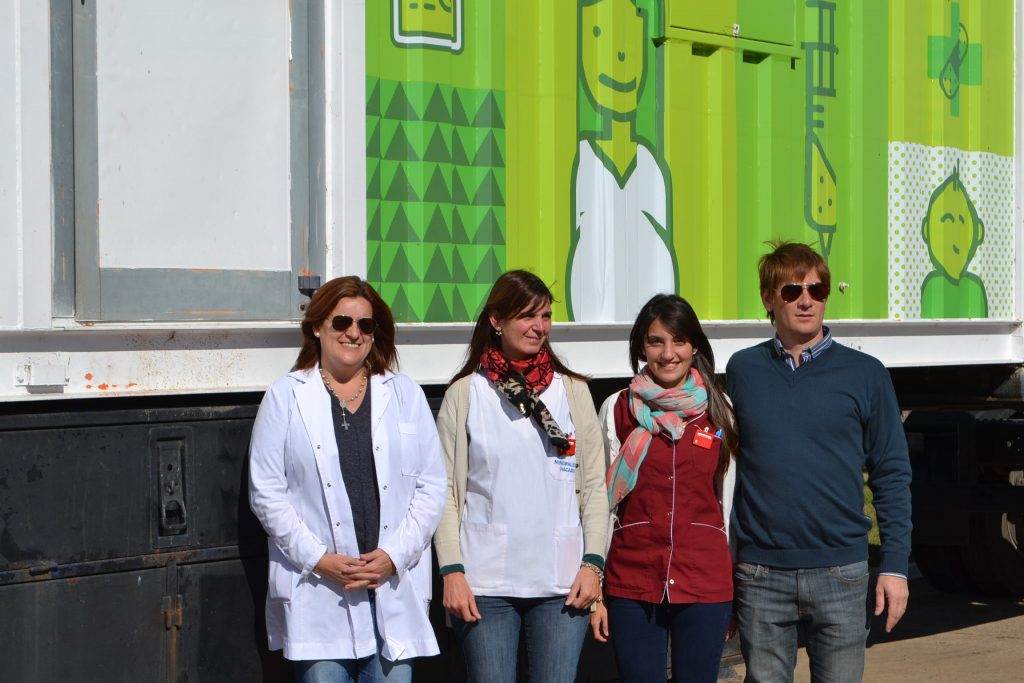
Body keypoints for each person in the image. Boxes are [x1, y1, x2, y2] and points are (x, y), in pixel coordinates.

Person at [725, 241, 912, 683]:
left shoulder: (866, 374)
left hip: (841, 573)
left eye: (818, 288)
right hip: (760, 574)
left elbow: (891, 474)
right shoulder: (742, 370)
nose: (807, 299)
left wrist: (896, 566)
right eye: (792, 291)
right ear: (768, 299)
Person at [248, 276, 445, 682]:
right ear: (317, 326)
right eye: (341, 322)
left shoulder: (405, 394)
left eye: (365, 325)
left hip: (390, 585)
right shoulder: (285, 397)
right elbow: (267, 494)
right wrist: (320, 559)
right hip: (322, 593)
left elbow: (431, 487)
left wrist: (393, 555)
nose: (353, 333)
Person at [434, 270, 609, 683]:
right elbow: (444, 492)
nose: (539, 327)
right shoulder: (465, 394)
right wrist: (452, 571)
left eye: (545, 316)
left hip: (561, 582)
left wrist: (593, 565)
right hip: (486, 583)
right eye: (528, 316)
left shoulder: (573, 391)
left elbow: (595, 489)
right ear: (496, 320)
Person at [590, 294, 737, 682]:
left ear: (695, 347)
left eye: (679, 341)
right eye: (656, 341)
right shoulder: (618, 408)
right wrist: (598, 587)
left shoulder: (720, 409)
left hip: (703, 579)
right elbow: (602, 503)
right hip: (633, 579)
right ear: (642, 346)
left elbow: (729, 503)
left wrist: (734, 587)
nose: (668, 353)